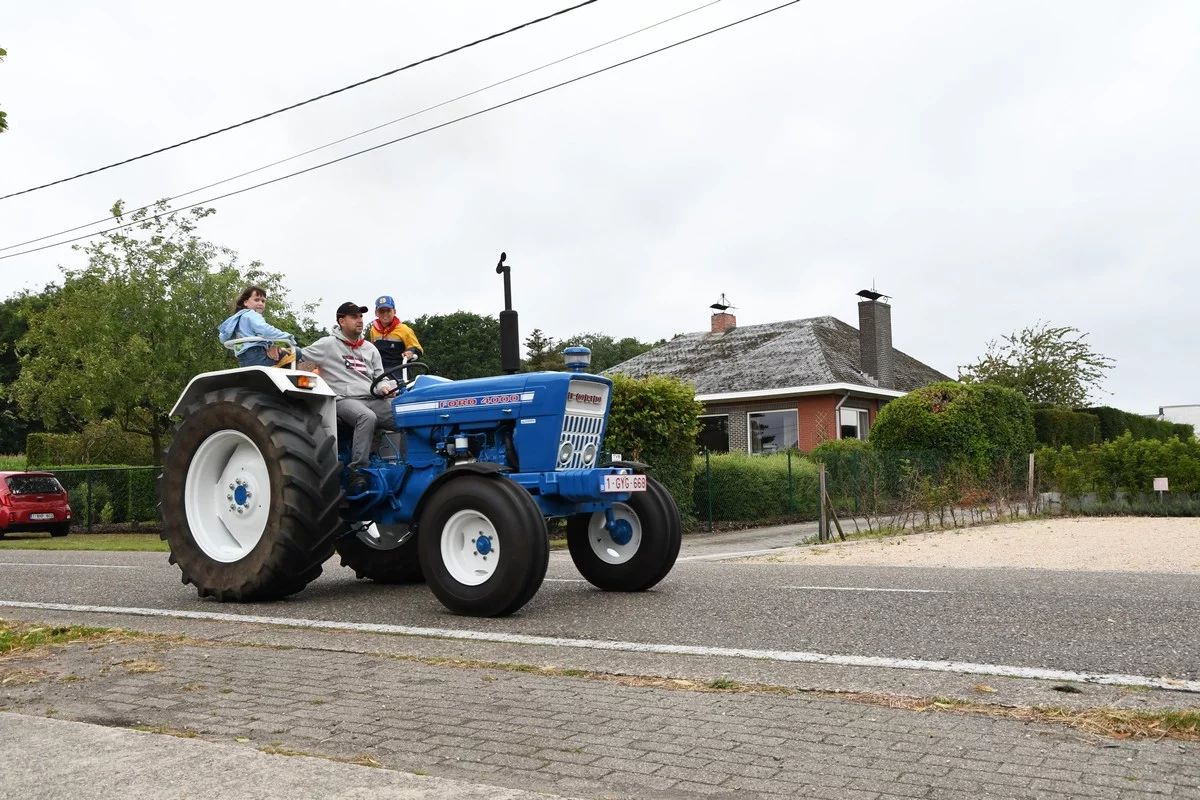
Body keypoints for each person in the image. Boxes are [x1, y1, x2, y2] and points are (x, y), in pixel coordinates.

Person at [298, 302, 398, 495]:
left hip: (371, 397)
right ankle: (356, 470)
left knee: (405, 413)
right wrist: (277, 349)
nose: (360, 320)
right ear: (342, 321)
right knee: (366, 417)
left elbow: (379, 377)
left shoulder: (370, 349)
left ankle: (407, 465)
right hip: (342, 399)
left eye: (361, 316)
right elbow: (300, 354)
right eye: (354, 317)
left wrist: (384, 386)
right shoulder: (328, 344)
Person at [217, 285, 297, 368]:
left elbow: (223, 338)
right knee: (297, 352)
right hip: (258, 357)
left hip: (243, 361)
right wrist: (288, 337)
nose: (260, 303)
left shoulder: (236, 320)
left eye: (263, 301)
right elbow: (265, 331)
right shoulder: (252, 314)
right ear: (246, 302)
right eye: (256, 300)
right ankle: (277, 367)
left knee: (281, 352)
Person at [366, 295, 423, 372]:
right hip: (379, 370)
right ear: (376, 313)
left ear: (394, 311)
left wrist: (411, 352)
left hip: (399, 370)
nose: (385, 314)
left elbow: (418, 349)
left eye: (388, 310)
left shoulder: (404, 330)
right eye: (381, 311)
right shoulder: (373, 329)